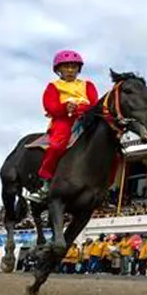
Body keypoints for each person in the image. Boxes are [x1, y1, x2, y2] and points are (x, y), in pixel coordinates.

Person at [26, 50, 98, 203]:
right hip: (63, 120)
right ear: (59, 70)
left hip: (86, 118)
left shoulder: (88, 85)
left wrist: (79, 109)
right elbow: (50, 106)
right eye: (66, 67)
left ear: (78, 69)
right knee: (57, 146)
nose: (70, 70)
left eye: (73, 67)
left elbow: (93, 104)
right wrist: (65, 108)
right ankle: (45, 183)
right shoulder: (53, 86)